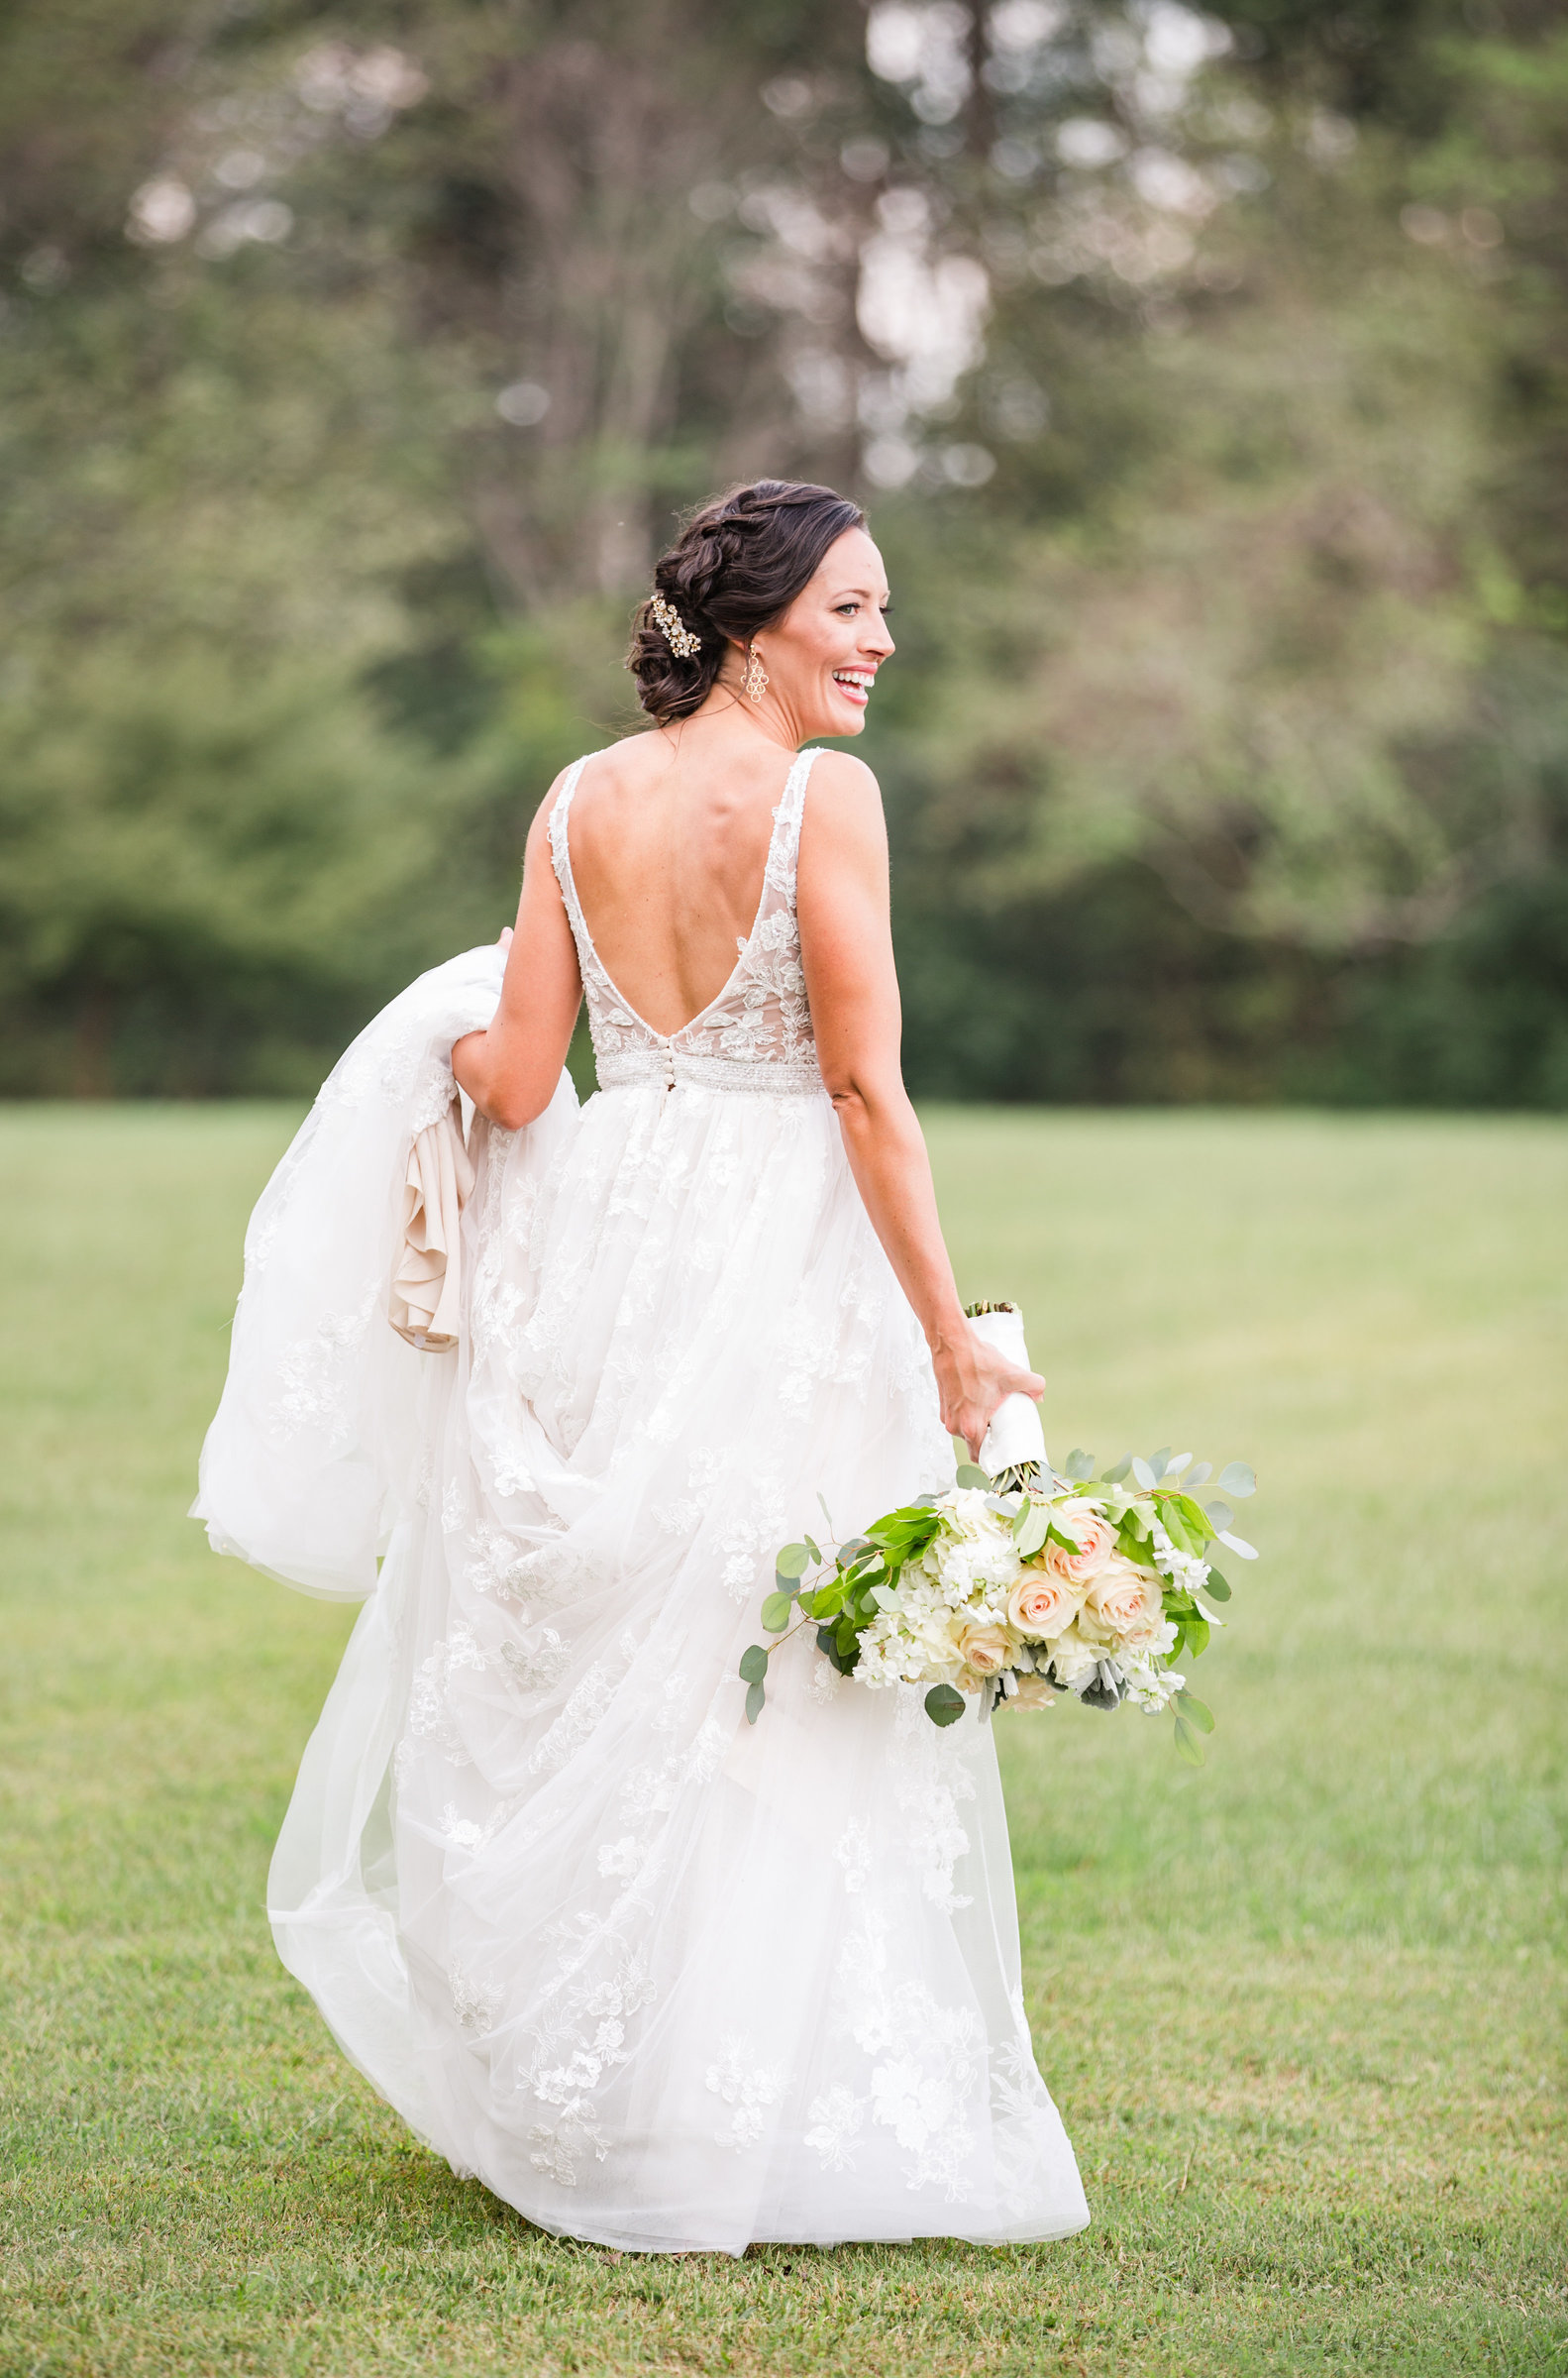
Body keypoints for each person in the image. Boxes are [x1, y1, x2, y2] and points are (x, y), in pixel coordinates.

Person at [196, 479, 1090, 2253]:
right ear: (758, 626)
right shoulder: (828, 801)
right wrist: (949, 1343)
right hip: (782, 1244)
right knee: (782, 1657)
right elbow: (857, 1089)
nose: (882, 644)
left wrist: (424, 1038)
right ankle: (743, 2109)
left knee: (638, 1646)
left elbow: (521, 1082)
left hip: (614, 1241)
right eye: (853, 611)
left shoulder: (576, 795)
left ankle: (617, 2092)